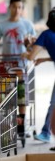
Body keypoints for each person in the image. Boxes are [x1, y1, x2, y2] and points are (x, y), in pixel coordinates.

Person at [0, 0, 36, 138]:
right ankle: (9, 125)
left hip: (21, 66)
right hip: (6, 66)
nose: (17, 10)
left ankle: (20, 126)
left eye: (20, 7)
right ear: (9, 7)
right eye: (14, 7)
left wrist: (28, 47)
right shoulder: (1, 25)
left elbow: (32, 47)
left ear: (22, 9)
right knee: (7, 97)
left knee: (21, 96)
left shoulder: (28, 25)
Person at [21, 8, 55, 147]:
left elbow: (30, 56)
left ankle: (46, 132)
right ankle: (46, 131)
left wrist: (25, 50)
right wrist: (46, 59)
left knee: (53, 104)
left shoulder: (46, 35)